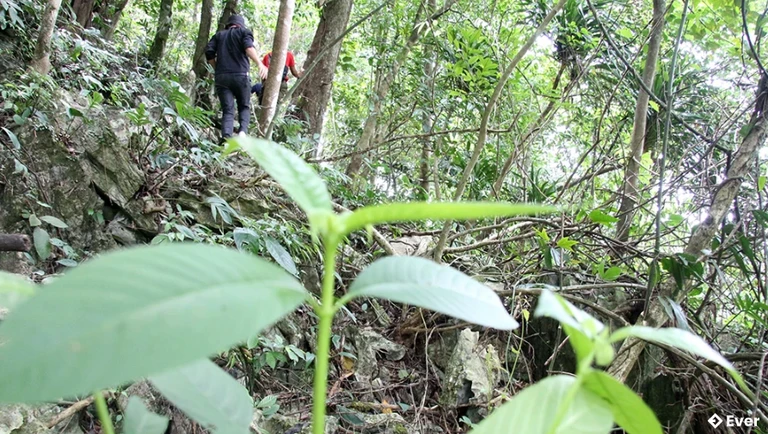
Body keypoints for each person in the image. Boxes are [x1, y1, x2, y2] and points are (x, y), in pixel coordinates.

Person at [205, 15, 268, 140]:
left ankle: (226, 138)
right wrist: (259, 63)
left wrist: (217, 68)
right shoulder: (244, 32)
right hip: (241, 76)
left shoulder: (219, 35)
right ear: (241, 25)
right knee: (244, 106)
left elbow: (209, 52)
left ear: (228, 25)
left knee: (228, 109)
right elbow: (248, 47)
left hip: (222, 77)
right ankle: (242, 134)